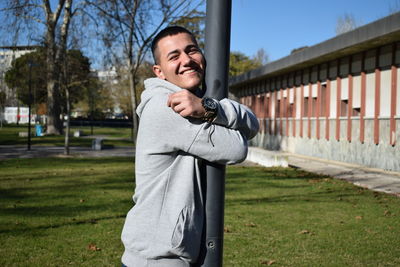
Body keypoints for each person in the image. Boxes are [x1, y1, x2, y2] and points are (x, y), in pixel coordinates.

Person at [121, 26, 259, 267]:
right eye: (174, 56)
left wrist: (210, 107)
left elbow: (253, 124)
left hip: (171, 254)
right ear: (159, 71)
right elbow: (237, 148)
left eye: (191, 50)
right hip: (157, 259)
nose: (186, 60)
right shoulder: (165, 106)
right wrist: (211, 110)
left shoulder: (194, 101)